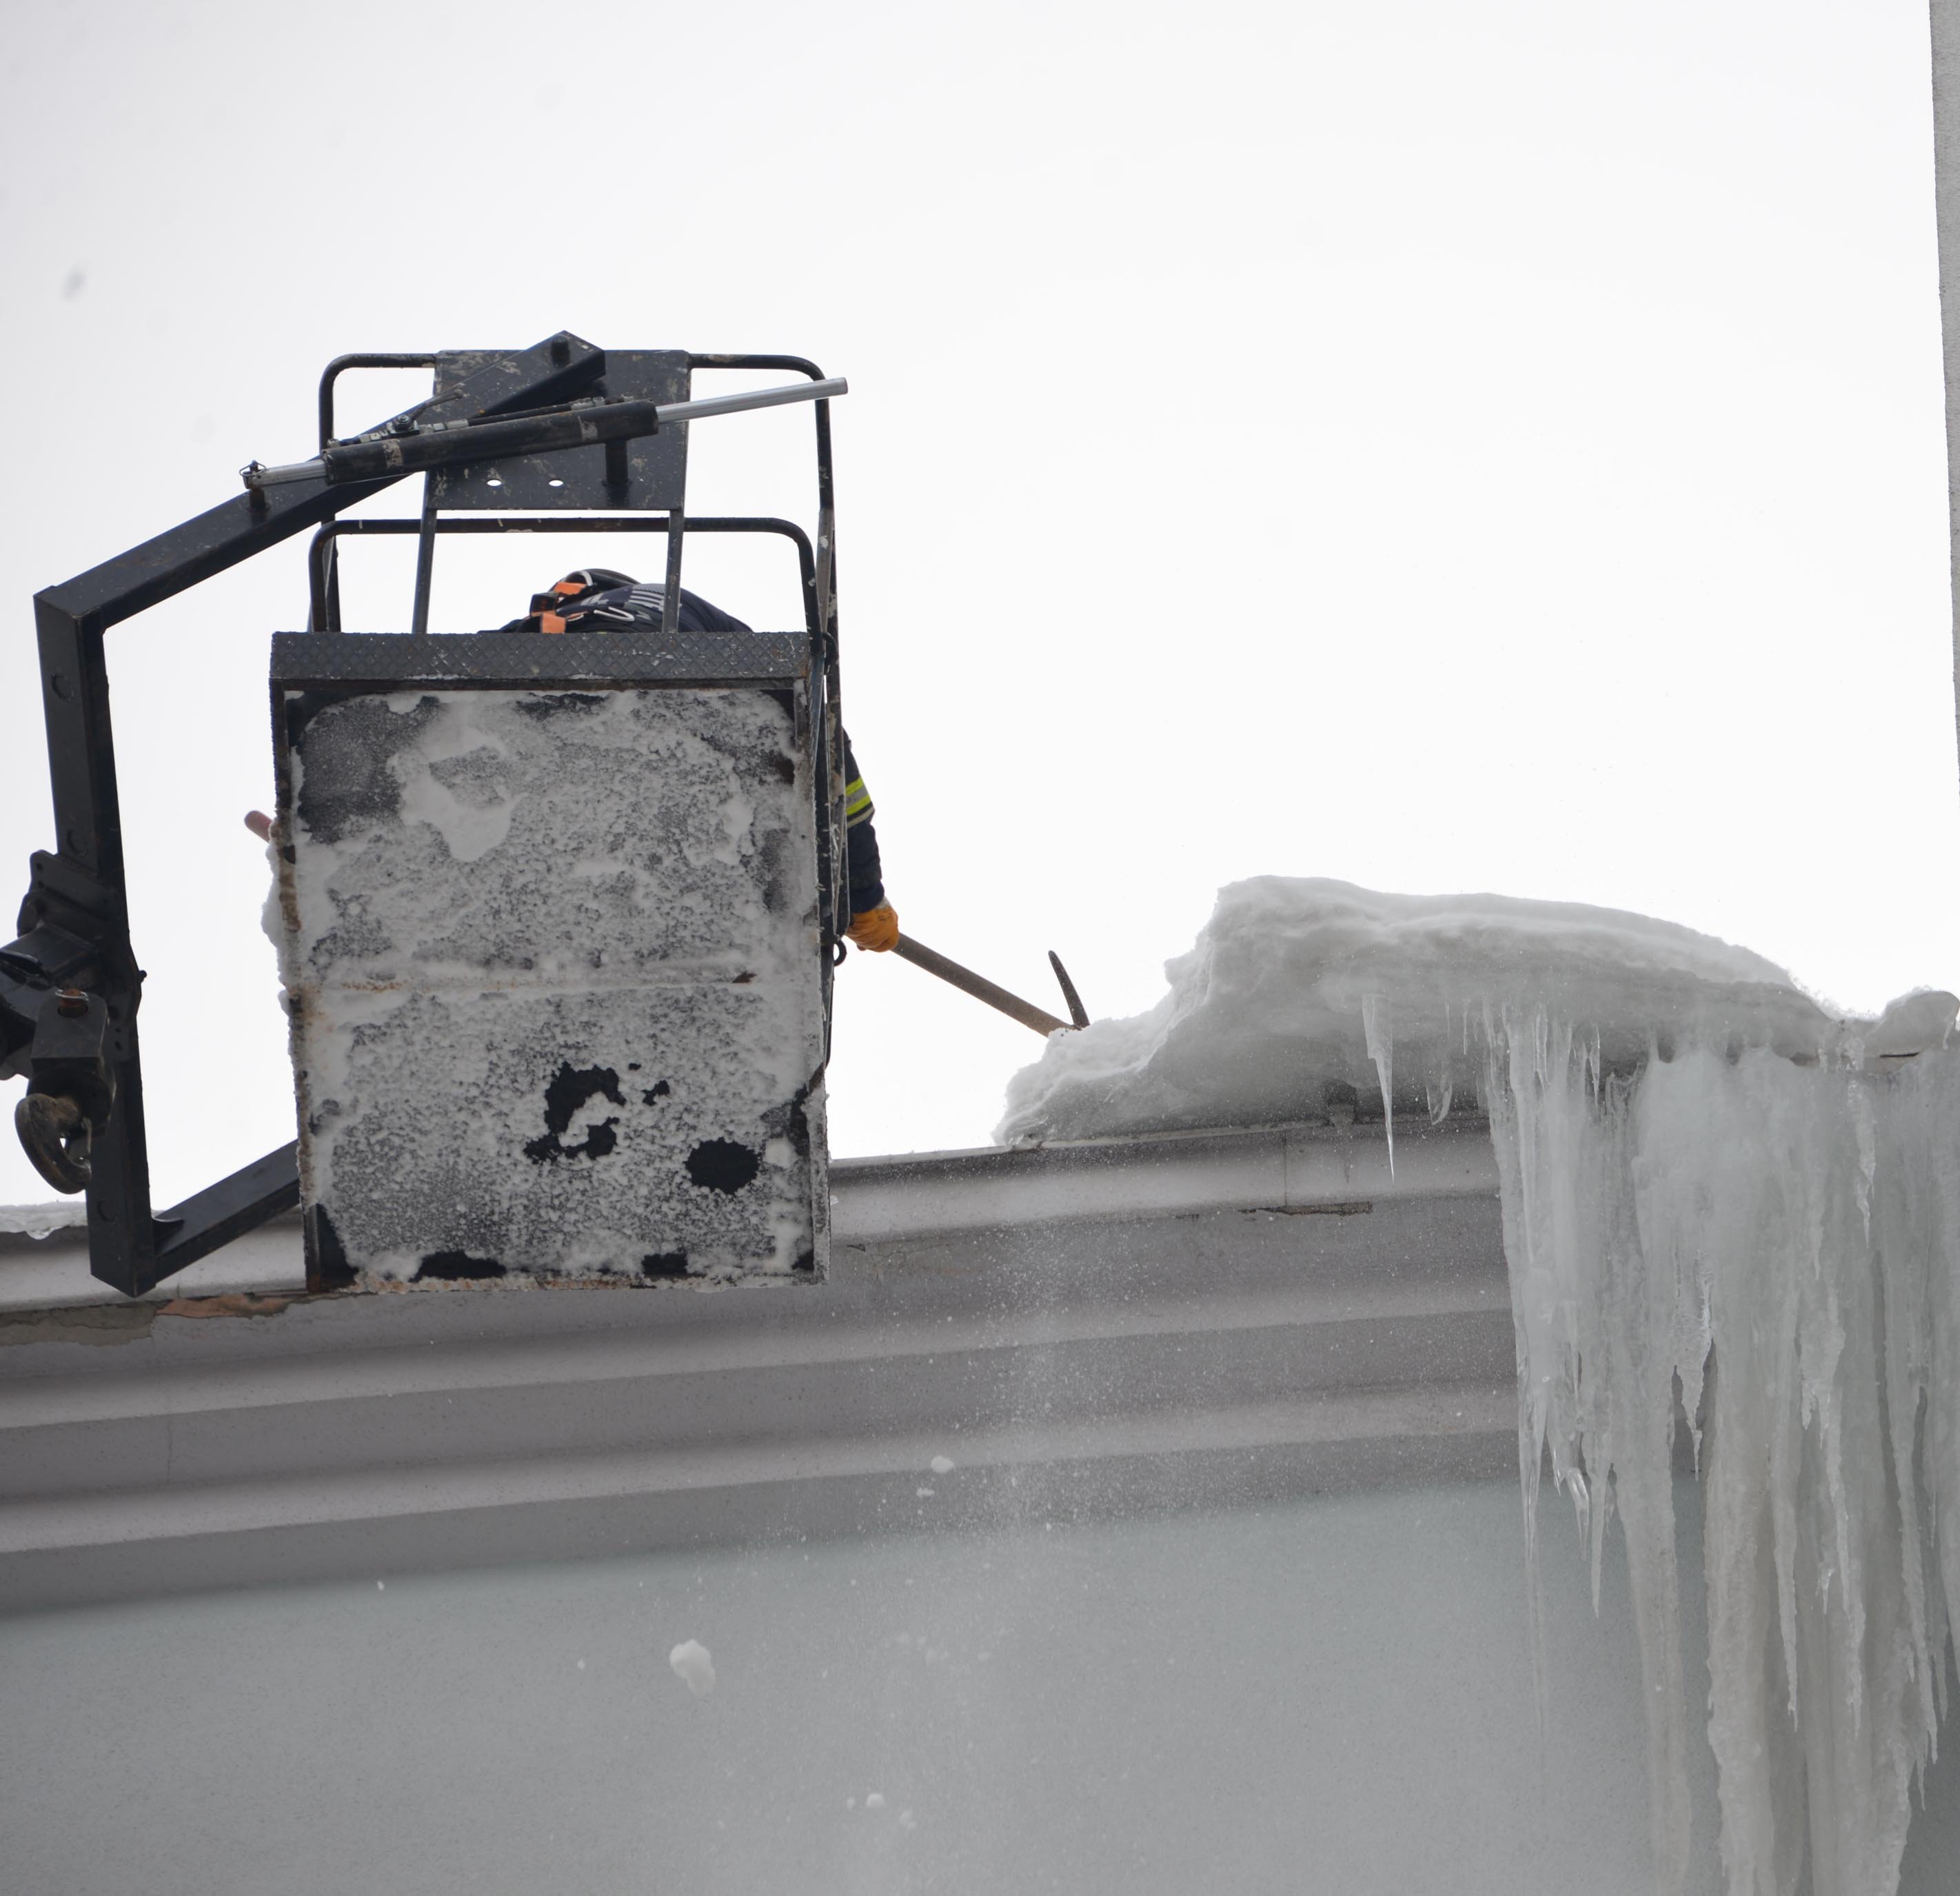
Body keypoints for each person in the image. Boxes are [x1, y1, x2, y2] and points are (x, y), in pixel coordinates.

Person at [501, 569, 899, 952]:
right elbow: (799, 706)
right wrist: (864, 893)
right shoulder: (677, 602)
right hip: (660, 696)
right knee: (787, 759)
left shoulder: (539, 627)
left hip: (540, 712)